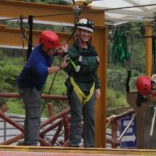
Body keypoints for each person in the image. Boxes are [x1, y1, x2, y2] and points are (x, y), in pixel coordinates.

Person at [16, 30, 67, 146]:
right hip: (29, 87)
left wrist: (61, 51)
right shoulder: (36, 59)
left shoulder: (45, 49)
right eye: (53, 49)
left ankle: (28, 141)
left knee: (30, 114)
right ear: (45, 47)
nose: (55, 51)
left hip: (34, 85)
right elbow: (46, 71)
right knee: (34, 115)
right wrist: (60, 66)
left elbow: (53, 52)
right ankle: (33, 143)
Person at [64, 18, 100, 148]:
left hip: (90, 86)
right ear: (78, 32)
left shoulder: (93, 50)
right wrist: (64, 53)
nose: (86, 34)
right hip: (76, 85)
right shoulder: (72, 49)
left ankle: (89, 146)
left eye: (88, 32)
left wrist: (98, 87)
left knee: (90, 118)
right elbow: (68, 68)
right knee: (77, 117)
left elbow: (94, 71)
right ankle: (74, 145)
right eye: (84, 31)